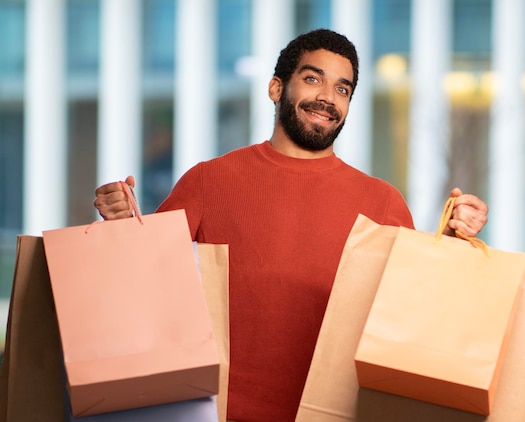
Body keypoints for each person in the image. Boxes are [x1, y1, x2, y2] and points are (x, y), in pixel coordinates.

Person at [94, 29, 488, 422]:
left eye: (343, 89)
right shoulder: (208, 182)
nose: (327, 98)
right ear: (276, 88)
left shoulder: (382, 202)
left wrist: (452, 245)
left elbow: (412, 315)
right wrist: (124, 223)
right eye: (313, 79)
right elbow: (148, 289)